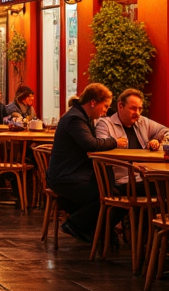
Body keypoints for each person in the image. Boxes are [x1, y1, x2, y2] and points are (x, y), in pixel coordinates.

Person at [45, 84, 125, 243]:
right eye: (105, 106)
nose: (106, 111)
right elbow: (91, 144)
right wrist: (115, 142)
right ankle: (76, 225)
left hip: (72, 174)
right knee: (109, 195)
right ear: (93, 102)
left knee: (113, 192)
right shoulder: (75, 118)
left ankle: (98, 231)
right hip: (64, 178)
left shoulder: (81, 116)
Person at [94, 89, 169, 188]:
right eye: (133, 108)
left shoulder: (142, 122)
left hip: (145, 177)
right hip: (124, 182)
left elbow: (167, 132)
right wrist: (115, 143)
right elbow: (101, 151)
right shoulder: (105, 124)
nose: (137, 113)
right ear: (120, 106)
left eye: (140, 109)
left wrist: (159, 146)